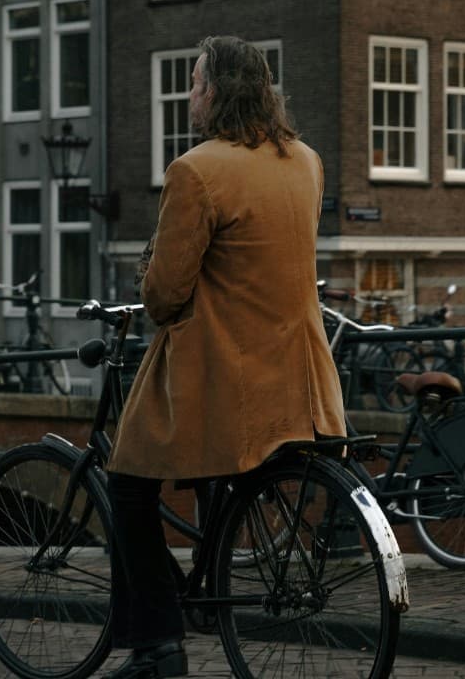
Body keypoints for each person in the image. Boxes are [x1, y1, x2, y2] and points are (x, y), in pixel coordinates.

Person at [103, 35, 348, 679]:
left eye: (193, 83)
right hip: (297, 376)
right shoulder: (307, 163)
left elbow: (164, 295)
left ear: (216, 91)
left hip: (222, 375)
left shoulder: (197, 170)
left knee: (127, 487)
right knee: (219, 474)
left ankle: (158, 643)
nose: (189, 96)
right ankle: (208, 591)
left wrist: (148, 271)